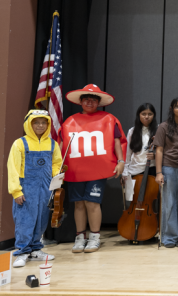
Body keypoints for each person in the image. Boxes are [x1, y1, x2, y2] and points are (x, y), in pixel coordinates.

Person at [61, 84, 126, 254]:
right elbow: (62, 144)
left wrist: (120, 161)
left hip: (97, 171)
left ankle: (95, 237)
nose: (89, 102)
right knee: (79, 204)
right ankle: (80, 237)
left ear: (98, 103)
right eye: (86, 99)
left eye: (93, 100)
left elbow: (117, 140)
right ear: (80, 101)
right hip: (76, 170)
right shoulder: (70, 121)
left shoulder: (109, 119)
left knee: (92, 203)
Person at [8, 110, 62, 267]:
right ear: (29, 124)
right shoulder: (20, 143)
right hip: (26, 188)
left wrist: (56, 175)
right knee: (25, 220)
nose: (40, 125)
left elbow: (56, 163)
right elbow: (13, 168)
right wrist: (16, 191)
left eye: (43, 122)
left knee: (41, 219)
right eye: (36, 122)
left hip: (46, 188)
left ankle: (35, 249)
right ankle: (23, 251)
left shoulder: (52, 144)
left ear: (48, 124)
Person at [154, 97, 178, 248]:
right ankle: (169, 237)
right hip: (168, 168)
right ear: (172, 108)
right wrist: (158, 172)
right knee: (169, 203)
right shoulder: (163, 127)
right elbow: (159, 150)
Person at [123, 103, 157, 181]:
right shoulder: (132, 131)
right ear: (139, 115)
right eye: (143, 114)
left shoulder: (159, 130)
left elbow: (164, 152)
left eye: (150, 114)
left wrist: (155, 156)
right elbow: (127, 153)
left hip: (152, 169)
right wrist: (125, 172)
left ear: (154, 115)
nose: (147, 117)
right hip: (135, 170)